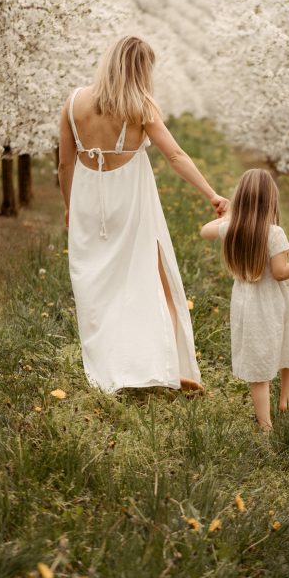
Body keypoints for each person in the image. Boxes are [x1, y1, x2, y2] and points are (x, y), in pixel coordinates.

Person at [58, 36, 228, 393]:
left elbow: (64, 163)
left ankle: (112, 373)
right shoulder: (140, 106)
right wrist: (211, 193)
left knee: (97, 287)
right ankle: (165, 365)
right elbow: (176, 156)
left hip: (89, 200)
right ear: (139, 71)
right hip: (130, 201)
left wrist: (70, 207)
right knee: (152, 279)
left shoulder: (74, 102)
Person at [200, 169, 289, 430]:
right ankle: (284, 401)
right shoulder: (274, 233)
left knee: (258, 362)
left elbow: (205, 230)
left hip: (247, 303)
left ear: (239, 198)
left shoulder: (232, 227)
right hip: (277, 301)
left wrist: (230, 215)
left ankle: (266, 423)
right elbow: (280, 273)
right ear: (271, 200)